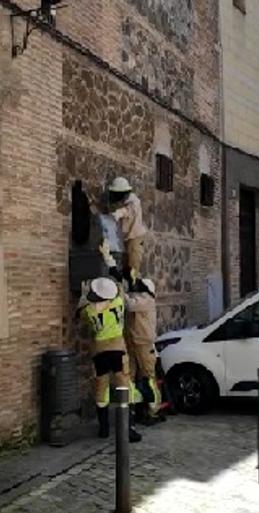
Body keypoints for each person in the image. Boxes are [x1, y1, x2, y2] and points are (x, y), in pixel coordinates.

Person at [99, 241, 162, 425]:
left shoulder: (146, 301)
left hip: (144, 344)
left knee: (148, 378)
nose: (137, 288)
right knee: (130, 378)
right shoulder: (139, 296)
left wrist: (118, 286)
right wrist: (109, 261)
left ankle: (153, 411)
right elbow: (126, 283)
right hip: (133, 343)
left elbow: (126, 301)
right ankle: (132, 412)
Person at [76, 276, 143, 442]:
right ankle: (129, 429)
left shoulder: (89, 310)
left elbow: (80, 313)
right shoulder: (118, 303)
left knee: (101, 387)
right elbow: (120, 289)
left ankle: (103, 428)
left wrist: (84, 296)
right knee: (125, 387)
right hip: (118, 350)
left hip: (100, 352)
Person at [107, 177, 147, 284]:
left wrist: (117, 214)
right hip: (126, 238)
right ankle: (126, 286)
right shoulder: (124, 202)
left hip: (135, 238)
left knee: (133, 265)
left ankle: (133, 288)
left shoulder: (134, 202)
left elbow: (127, 211)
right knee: (124, 265)